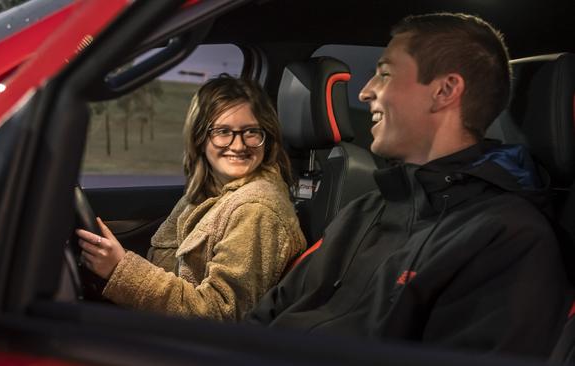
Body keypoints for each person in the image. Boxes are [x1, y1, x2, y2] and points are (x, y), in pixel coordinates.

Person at [246, 13, 571, 357]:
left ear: (444, 91)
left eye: (384, 74)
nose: (365, 90)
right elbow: (265, 318)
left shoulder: (509, 238)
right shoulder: (365, 210)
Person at [76, 75, 306, 321]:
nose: (238, 145)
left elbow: (220, 315)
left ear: (266, 138)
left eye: (251, 132)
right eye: (223, 131)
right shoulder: (208, 191)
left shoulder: (256, 208)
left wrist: (121, 270)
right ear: (200, 138)